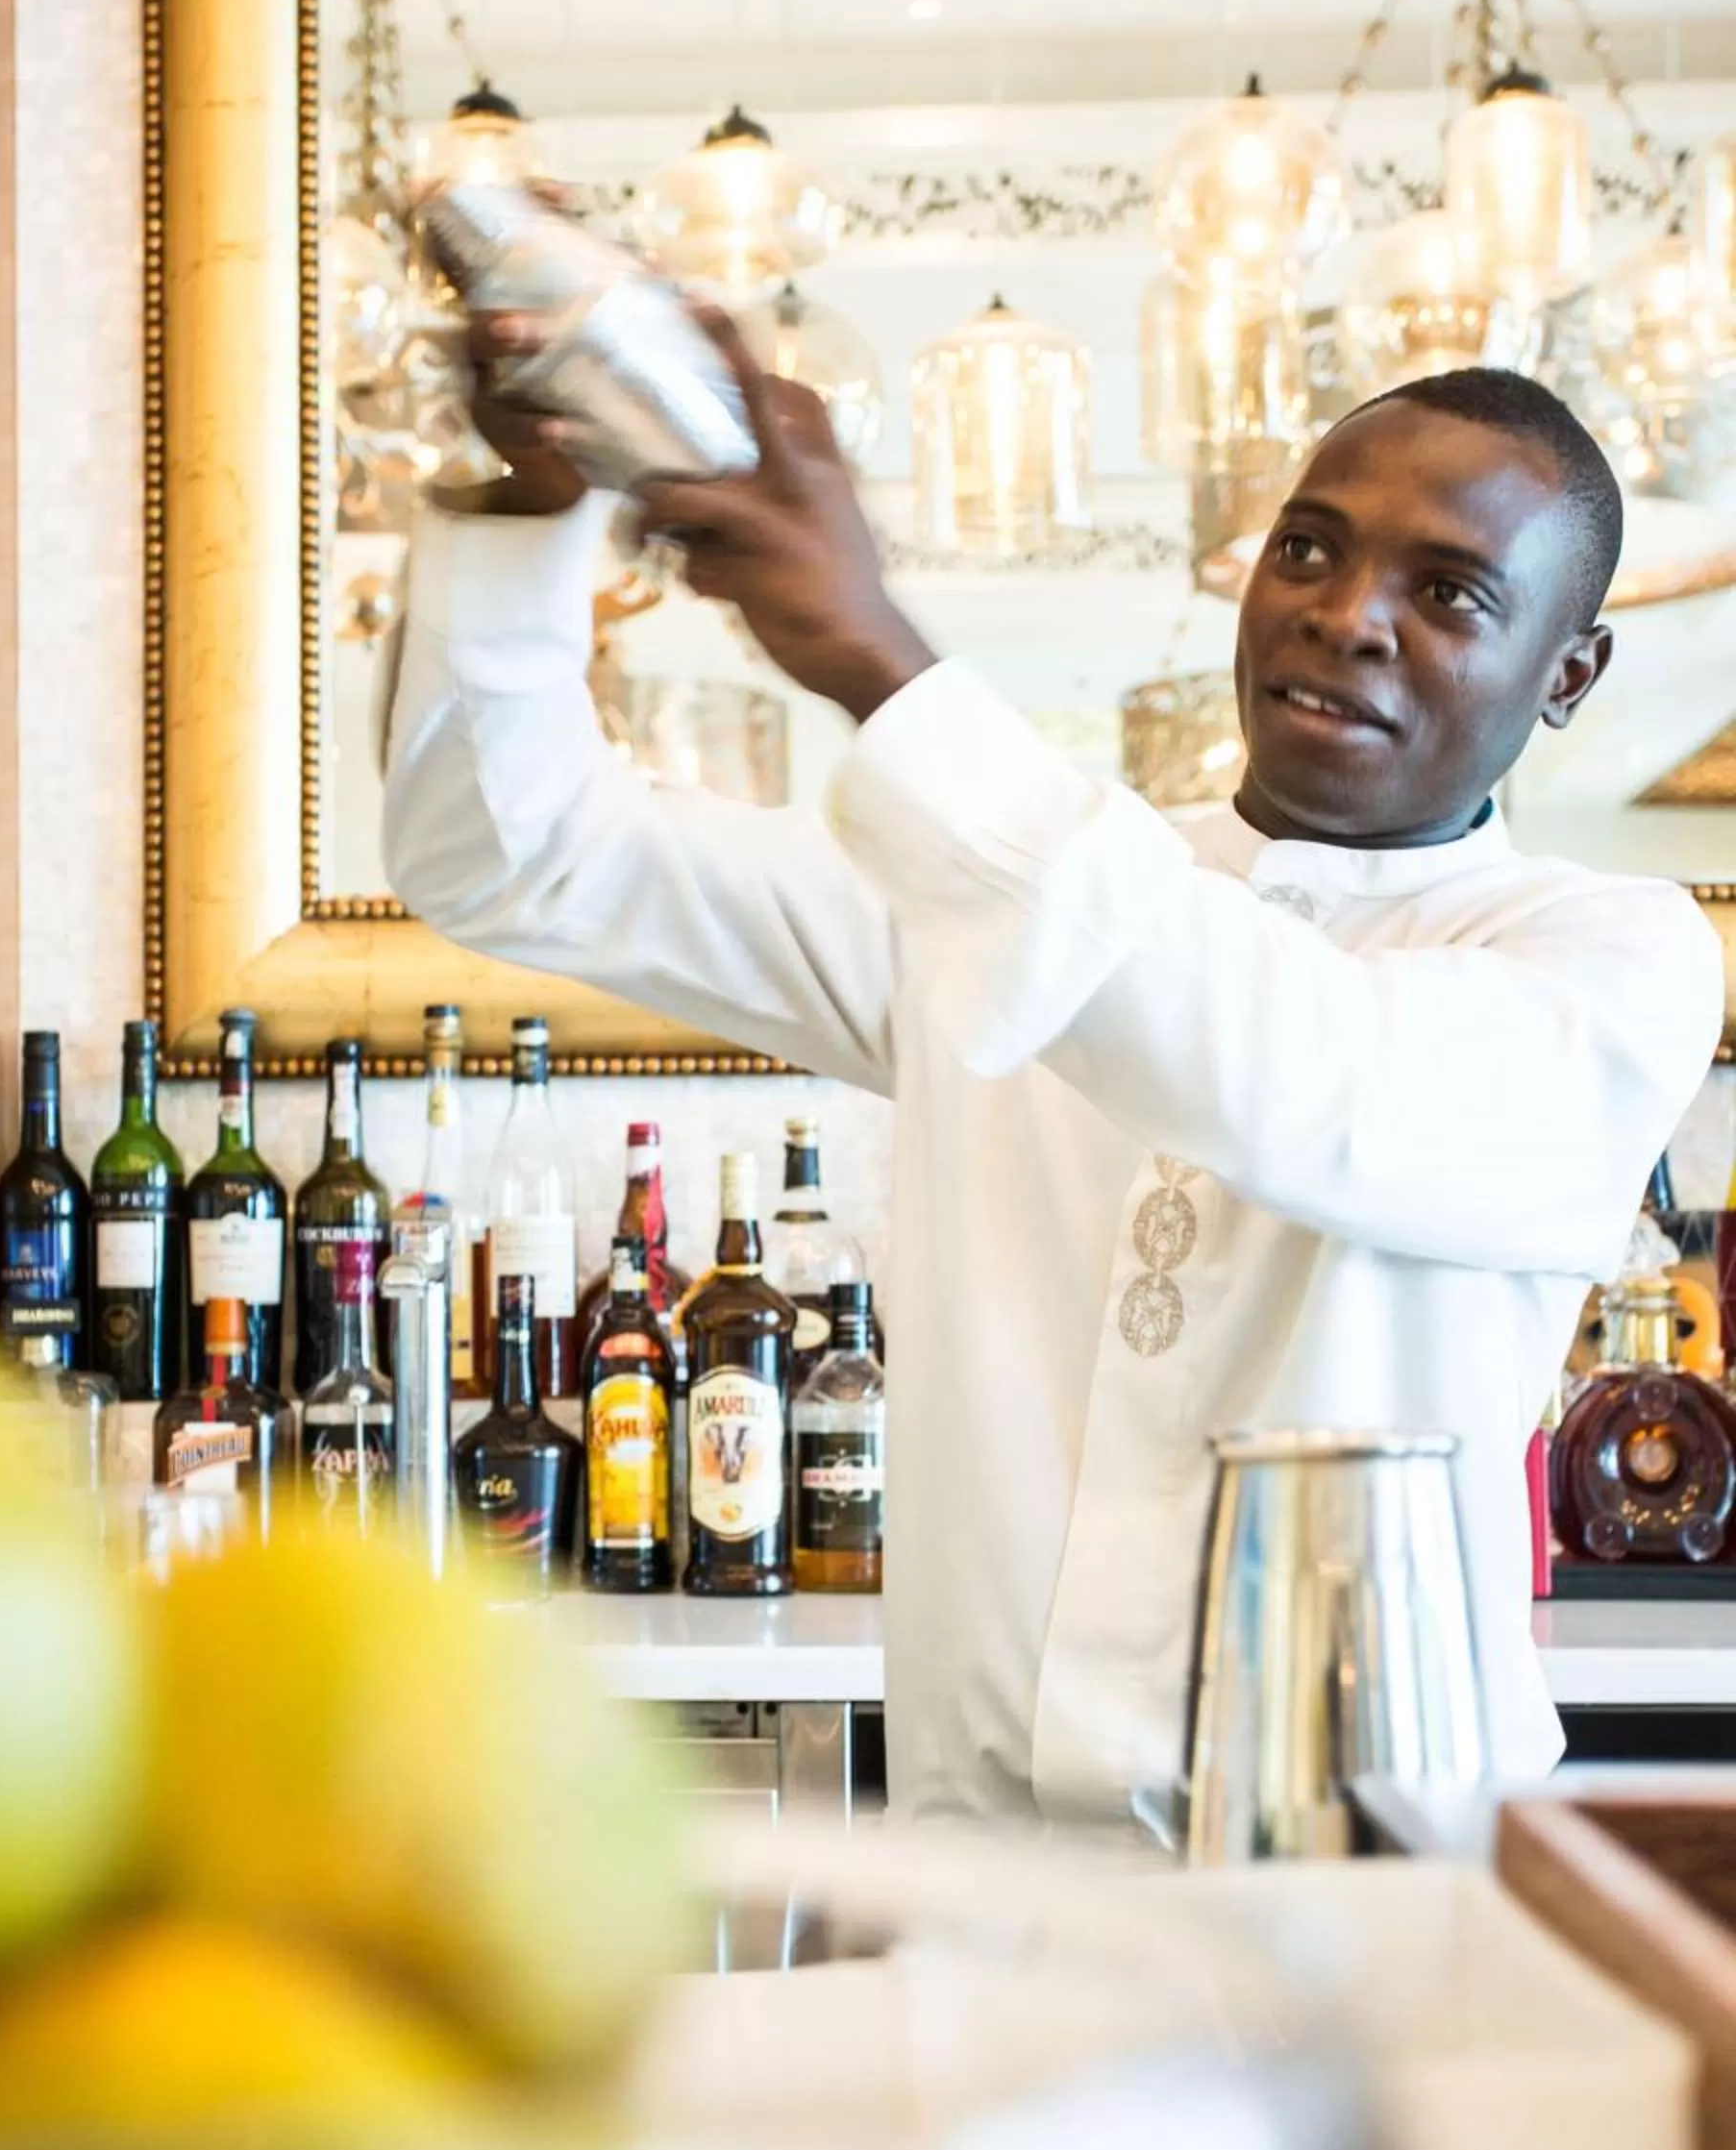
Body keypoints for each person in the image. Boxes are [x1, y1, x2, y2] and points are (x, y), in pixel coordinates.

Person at [384, 312, 1724, 1827]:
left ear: (1570, 672)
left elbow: (1308, 1078)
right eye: (1307, 552)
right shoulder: (1002, 894)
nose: (1348, 616)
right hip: (991, 1890)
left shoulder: (1610, 957)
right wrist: (532, 509)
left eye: (1451, 592)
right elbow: (514, 855)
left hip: (1371, 1909)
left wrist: (881, 664)